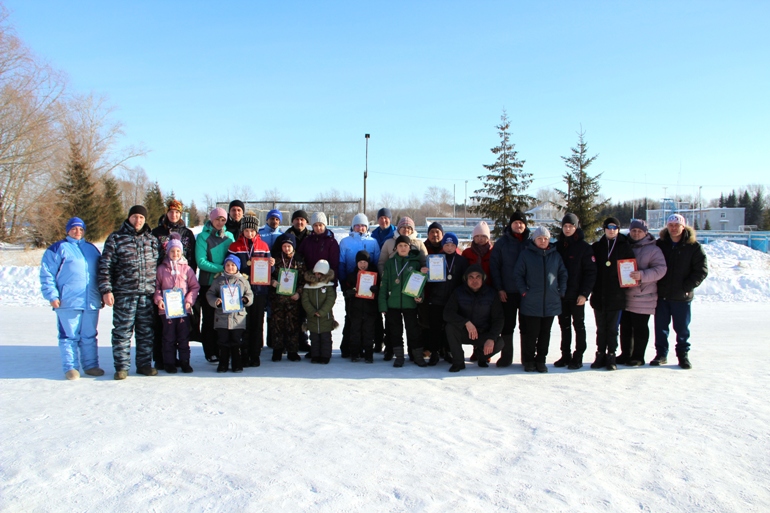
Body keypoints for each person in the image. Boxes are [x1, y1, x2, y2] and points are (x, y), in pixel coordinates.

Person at [98, 205, 159, 380]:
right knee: (122, 332)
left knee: (146, 332)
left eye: (141, 217)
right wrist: (106, 289)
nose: (138, 220)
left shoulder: (151, 240)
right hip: (124, 294)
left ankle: (144, 364)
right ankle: (121, 367)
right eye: (135, 217)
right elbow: (105, 266)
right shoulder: (116, 239)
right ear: (129, 218)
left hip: (147, 294)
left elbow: (159, 266)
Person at [39, 217, 104, 380]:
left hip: (91, 300)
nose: (77, 232)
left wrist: (102, 293)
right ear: (68, 230)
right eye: (74, 229)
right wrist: (52, 295)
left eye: (81, 229)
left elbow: (102, 273)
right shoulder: (58, 248)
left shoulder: (92, 249)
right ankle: (71, 367)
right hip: (68, 301)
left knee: (89, 335)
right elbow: (47, 274)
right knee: (69, 335)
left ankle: (90, 365)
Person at [652, 214, 708, 369]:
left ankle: (683, 355)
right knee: (660, 327)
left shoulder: (693, 247)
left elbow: (701, 270)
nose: (674, 228)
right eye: (671, 225)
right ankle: (661, 354)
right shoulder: (660, 244)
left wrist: (687, 286)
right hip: (662, 295)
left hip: (682, 297)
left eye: (677, 225)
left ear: (684, 227)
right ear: (667, 227)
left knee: (682, 328)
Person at [151, 198, 198, 369]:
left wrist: (186, 271)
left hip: (182, 283)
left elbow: (191, 258)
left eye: (177, 212)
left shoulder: (187, 233)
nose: (174, 215)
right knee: (164, 330)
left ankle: (183, 360)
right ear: (167, 213)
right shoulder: (157, 232)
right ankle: (163, 359)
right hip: (163, 280)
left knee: (182, 332)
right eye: (171, 212)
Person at [513, 227, 568, 373]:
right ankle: (529, 360)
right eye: (539, 239)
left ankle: (541, 359)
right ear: (534, 240)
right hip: (531, 301)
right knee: (532, 333)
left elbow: (563, 273)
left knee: (545, 333)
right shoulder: (526, 255)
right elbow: (518, 274)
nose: (543, 241)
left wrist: (561, 291)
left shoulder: (555, 255)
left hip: (550, 301)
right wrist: (524, 291)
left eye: (545, 238)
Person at [618, 219, 667, 367]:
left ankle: (638, 356)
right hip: (625, 294)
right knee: (625, 326)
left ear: (645, 233)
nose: (636, 233)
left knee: (639, 327)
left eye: (639, 231)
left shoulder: (653, 249)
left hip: (643, 294)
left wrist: (642, 275)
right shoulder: (624, 246)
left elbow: (661, 269)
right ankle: (626, 353)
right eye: (633, 231)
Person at [227, 213, 274, 366]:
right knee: (243, 323)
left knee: (257, 323)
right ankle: (244, 353)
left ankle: (255, 354)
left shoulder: (263, 246)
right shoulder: (235, 246)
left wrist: (271, 265)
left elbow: (269, 271)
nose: (249, 233)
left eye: (252, 230)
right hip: (240, 292)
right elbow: (229, 266)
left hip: (259, 290)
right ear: (242, 230)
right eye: (246, 230)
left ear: (256, 231)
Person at [589, 217, 635, 371]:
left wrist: (627, 284)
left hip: (616, 295)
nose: (611, 230)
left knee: (613, 328)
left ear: (618, 229)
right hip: (599, 295)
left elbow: (630, 268)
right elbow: (591, 269)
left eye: (615, 227)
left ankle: (611, 355)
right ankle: (600, 354)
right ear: (604, 229)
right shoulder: (597, 246)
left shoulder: (624, 246)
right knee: (601, 327)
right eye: (608, 227)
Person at [442, 264, 505, 372]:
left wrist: (491, 338)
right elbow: (447, 313)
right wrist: (465, 322)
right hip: (465, 332)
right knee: (450, 327)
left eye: (478, 277)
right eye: (471, 277)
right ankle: (458, 362)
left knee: (499, 342)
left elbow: (498, 319)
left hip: (483, 333)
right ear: (466, 279)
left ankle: (482, 356)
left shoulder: (491, 294)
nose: (474, 280)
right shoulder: (458, 292)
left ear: (483, 279)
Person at [554, 213, 596, 370]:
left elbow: (590, 273)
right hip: (561, 295)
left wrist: (584, 294)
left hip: (577, 295)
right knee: (563, 326)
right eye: (565, 226)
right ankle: (565, 355)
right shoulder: (558, 246)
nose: (567, 229)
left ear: (576, 227)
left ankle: (578, 356)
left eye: (571, 226)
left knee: (578, 325)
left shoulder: (584, 248)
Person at [489, 210, 530, 368]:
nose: (518, 225)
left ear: (525, 225)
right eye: (515, 222)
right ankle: (507, 356)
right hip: (508, 291)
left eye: (521, 223)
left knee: (526, 325)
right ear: (510, 225)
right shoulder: (502, 244)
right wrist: (499, 288)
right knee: (507, 325)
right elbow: (495, 267)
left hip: (526, 292)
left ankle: (527, 357)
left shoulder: (530, 243)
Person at [420, 232, 468, 365]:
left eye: (452, 244)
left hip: (453, 301)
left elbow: (465, 281)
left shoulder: (461, 260)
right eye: (446, 244)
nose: (449, 247)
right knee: (435, 327)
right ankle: (434, 352)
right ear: (443, 246)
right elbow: (428, 281)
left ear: (456, 245)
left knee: (450, 327)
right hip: (437, 299)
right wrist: (424, 272)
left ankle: (448, 351)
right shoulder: (435, 259)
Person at [196, 208, 235, 363]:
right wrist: (221, 268)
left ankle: (223, 348)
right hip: (209, 282)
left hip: (226, 283)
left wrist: (229, 269)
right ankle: (210, 351)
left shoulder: (230, 236)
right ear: (211, 219)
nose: (220, 222)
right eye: (217, 219)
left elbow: (233, 256)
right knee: (209, 317)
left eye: (223, 220)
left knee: (225, 317)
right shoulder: (203, 237)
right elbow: (201, 261)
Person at [338, 213, 380, 358]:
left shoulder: (373, 242)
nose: (360, 228)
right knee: (351, 318)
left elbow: (376, 263)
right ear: (353, 227)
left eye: (363, 225)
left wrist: (376, 284)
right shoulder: (345, 242)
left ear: (367, 227)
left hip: (368, 288)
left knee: (368, 319)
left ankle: (367, 347)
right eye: (357, 225)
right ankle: (348, 347)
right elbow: (341, 264)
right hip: (351, 285)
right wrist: (345, 286)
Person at [378, 235, 424, 367]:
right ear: (395, 248)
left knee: (413, 331)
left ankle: (418, 356)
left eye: (405, 246)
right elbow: (384, 285)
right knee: (395, 331)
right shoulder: (390, 263)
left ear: (409, 247)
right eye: (400, 246)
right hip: (393, 304)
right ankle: (399, 357)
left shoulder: (415, 264)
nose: (403, 248)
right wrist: (383, 305)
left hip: (410, 303)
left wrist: (420, 297)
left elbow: (420, 284)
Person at [206, 255, 254, 373]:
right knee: (223, 341)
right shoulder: (219, 280)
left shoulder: (243, 281)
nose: (230, 267)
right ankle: (223, 364)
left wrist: (245, 300)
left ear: (237, 267)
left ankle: (237, 364)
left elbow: (250, 295)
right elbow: (210, 294)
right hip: (222, 317)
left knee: (236, 341)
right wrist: (215, 301)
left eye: (233, 265)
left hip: (238, 318)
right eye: (227, 265)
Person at [269, 234, 306, 362]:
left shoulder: (299, 261)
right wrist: (272, 281)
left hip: (293, 300)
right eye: (284, 246)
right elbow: (269, 275)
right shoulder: (276, 260)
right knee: (277, 324)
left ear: (293, 247)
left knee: (293, 325)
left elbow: (304, 281)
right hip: (278, 299)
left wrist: (299, 293)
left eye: (289, 246)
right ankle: (277, 350)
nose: (287, 249)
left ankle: (292, 351)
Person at [342, 250, 380, 363]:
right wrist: (349, 293)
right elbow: (345, 290)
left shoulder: (375, 276)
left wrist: (376, 290)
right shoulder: (352, 276)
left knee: (368, 332)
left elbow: (381, 291)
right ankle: (355, 353)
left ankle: (368, 354)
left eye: (365, 262)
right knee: (355, 332)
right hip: (355, 309)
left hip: (370, 309)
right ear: (356, 263)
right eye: (360, 262)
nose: (362, 265)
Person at [301, 260, 337, 364]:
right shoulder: (308, 286)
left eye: (320, 274)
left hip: (325, 317)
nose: (317, 275)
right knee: (314, 338)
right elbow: (305, 300)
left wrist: (322, 311)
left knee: (325, 338)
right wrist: (312, 311)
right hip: (312, 318)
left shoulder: (329, 286)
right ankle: (315, 355)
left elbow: (330, 300)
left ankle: (325, 356)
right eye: (316, 273)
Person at [297, 212, 340, 286]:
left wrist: (333, 280)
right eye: (315, 225)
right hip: (310, 279)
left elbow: (334, 263)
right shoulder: (307, 240)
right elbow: (299, 257)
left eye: (320, 225)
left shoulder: (331, 241)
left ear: (324, 225)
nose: (318, 228)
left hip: (326, 279)